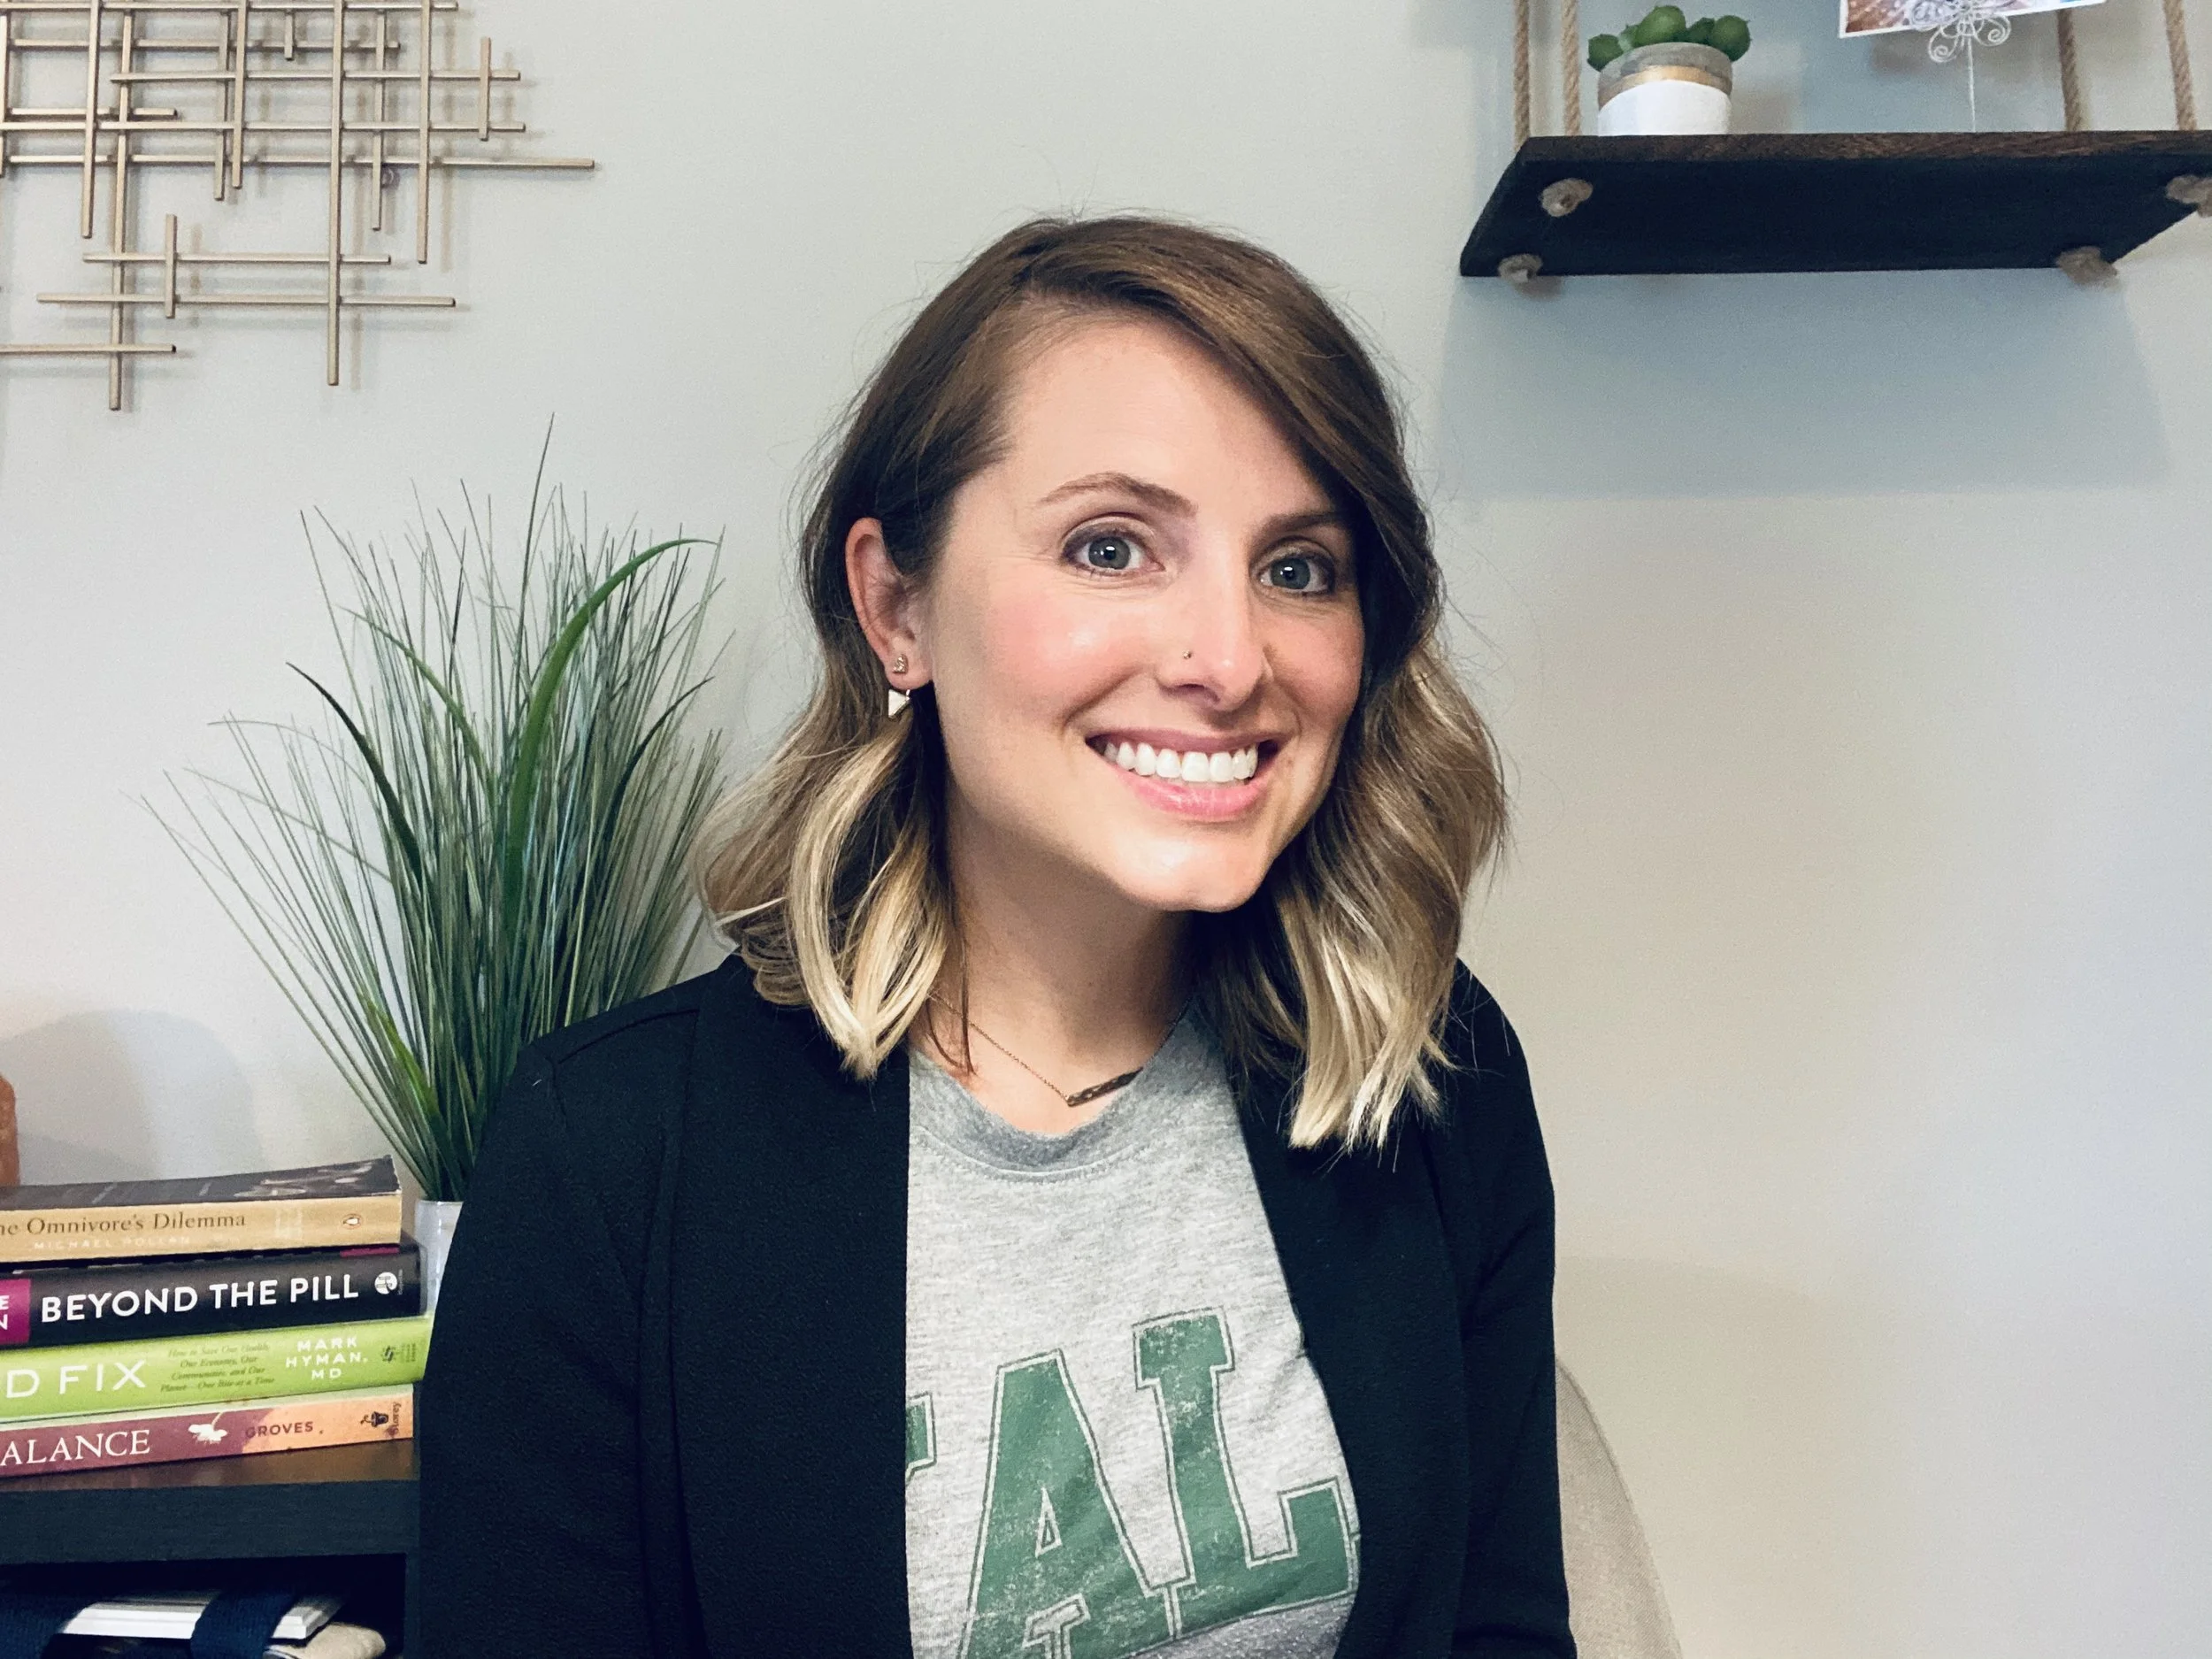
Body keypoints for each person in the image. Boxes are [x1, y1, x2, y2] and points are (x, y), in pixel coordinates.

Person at [419, 215, 1575, 1659]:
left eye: (1299, 568)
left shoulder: (1425, 1067)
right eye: (1111, 545)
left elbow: (1501, 1630)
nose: (1229, 659)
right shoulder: (606, 1162)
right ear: (894, 606)